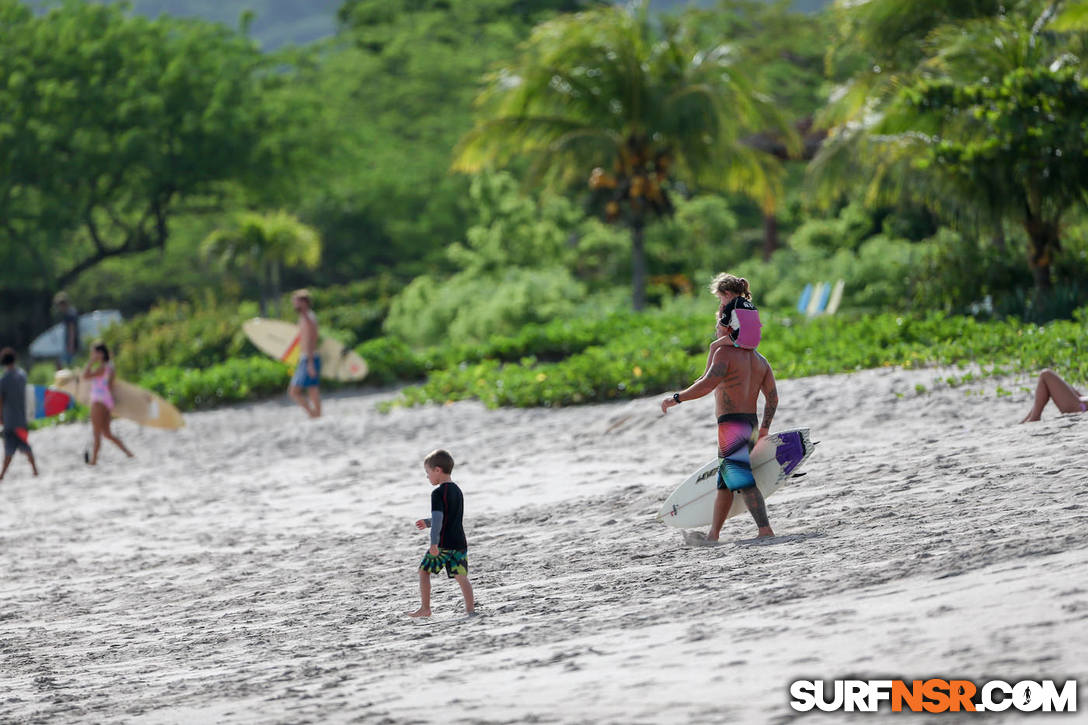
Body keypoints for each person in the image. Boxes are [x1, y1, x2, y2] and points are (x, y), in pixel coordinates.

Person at [661, 276, 780, 542]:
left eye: (718, 322)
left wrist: (677, 398)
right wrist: (764, 428)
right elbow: (772, 398)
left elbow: (706, 385)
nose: (717, 327)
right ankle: (713, 534)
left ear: (728, 327)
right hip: (749, 422)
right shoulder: (760, 360)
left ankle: (765, 529)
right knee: (725, 481)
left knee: (740, 477)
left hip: (732, 425)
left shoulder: (724, 354)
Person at [410, 449, 475, 618]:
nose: (427, 477)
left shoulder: (437, 493)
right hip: (460, 542)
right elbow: (449, 516)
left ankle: (425, 608)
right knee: (461, 576)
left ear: (437, 470)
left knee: (424, 572)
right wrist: (427, 522)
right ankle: (470, 610)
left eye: (428, 472)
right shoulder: (457, 490)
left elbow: (439, 519)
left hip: (444, 544)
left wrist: (434, 543)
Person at [83, 342, 134, 465]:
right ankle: (128, 453)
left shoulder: (102, 367)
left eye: (94, 352)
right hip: (106, 400)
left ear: (100, 353)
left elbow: (85, 375)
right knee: (107, 433)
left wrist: (90, 362)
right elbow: (110, 386)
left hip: (98, 401)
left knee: (97, 432)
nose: (92, 355)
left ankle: (93, 461)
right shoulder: (110, 366)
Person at [0, 348, 38, 480]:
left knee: (9, 449)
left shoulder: (3, 380)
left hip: (9, 420)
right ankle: (35, 470)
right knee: (25, 445)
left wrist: (0, 417)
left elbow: (0, 401)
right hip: (22, 418)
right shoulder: (22, 376)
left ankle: (2, 475)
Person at [288, 289, 321, 418]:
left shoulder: (308, 318)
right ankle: (317, 415)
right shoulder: (306, 317)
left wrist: (310, 362)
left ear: (303, 302)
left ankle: (314, 414)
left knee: (294, 391)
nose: (294, 305)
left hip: (309, 358)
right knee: (312, 389)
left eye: (296, 302)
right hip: (308, 358)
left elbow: (311, 340)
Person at [711, 273, 762, 351]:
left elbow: (721, 329)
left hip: (742, 338)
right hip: (756, 341)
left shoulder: (731, 305)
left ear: (727, 294)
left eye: (720, 298)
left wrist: (720, 314)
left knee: (713, 346)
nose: (721, 302)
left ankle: (710, 364)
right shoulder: (750, 304)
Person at [1020, 369, 1087, 423]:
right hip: (1083, 406)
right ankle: (1030, 417)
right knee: (1057, 383)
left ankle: (1033, 418)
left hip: (1082, 407)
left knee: (1046, 375)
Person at [54, 292, 80, 368]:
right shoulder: (72, 311)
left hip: (71, 344)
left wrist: (70, 346)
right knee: (67, 364)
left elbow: (72, 330)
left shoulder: (69, 314)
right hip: (71, 344)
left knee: (67, 365)